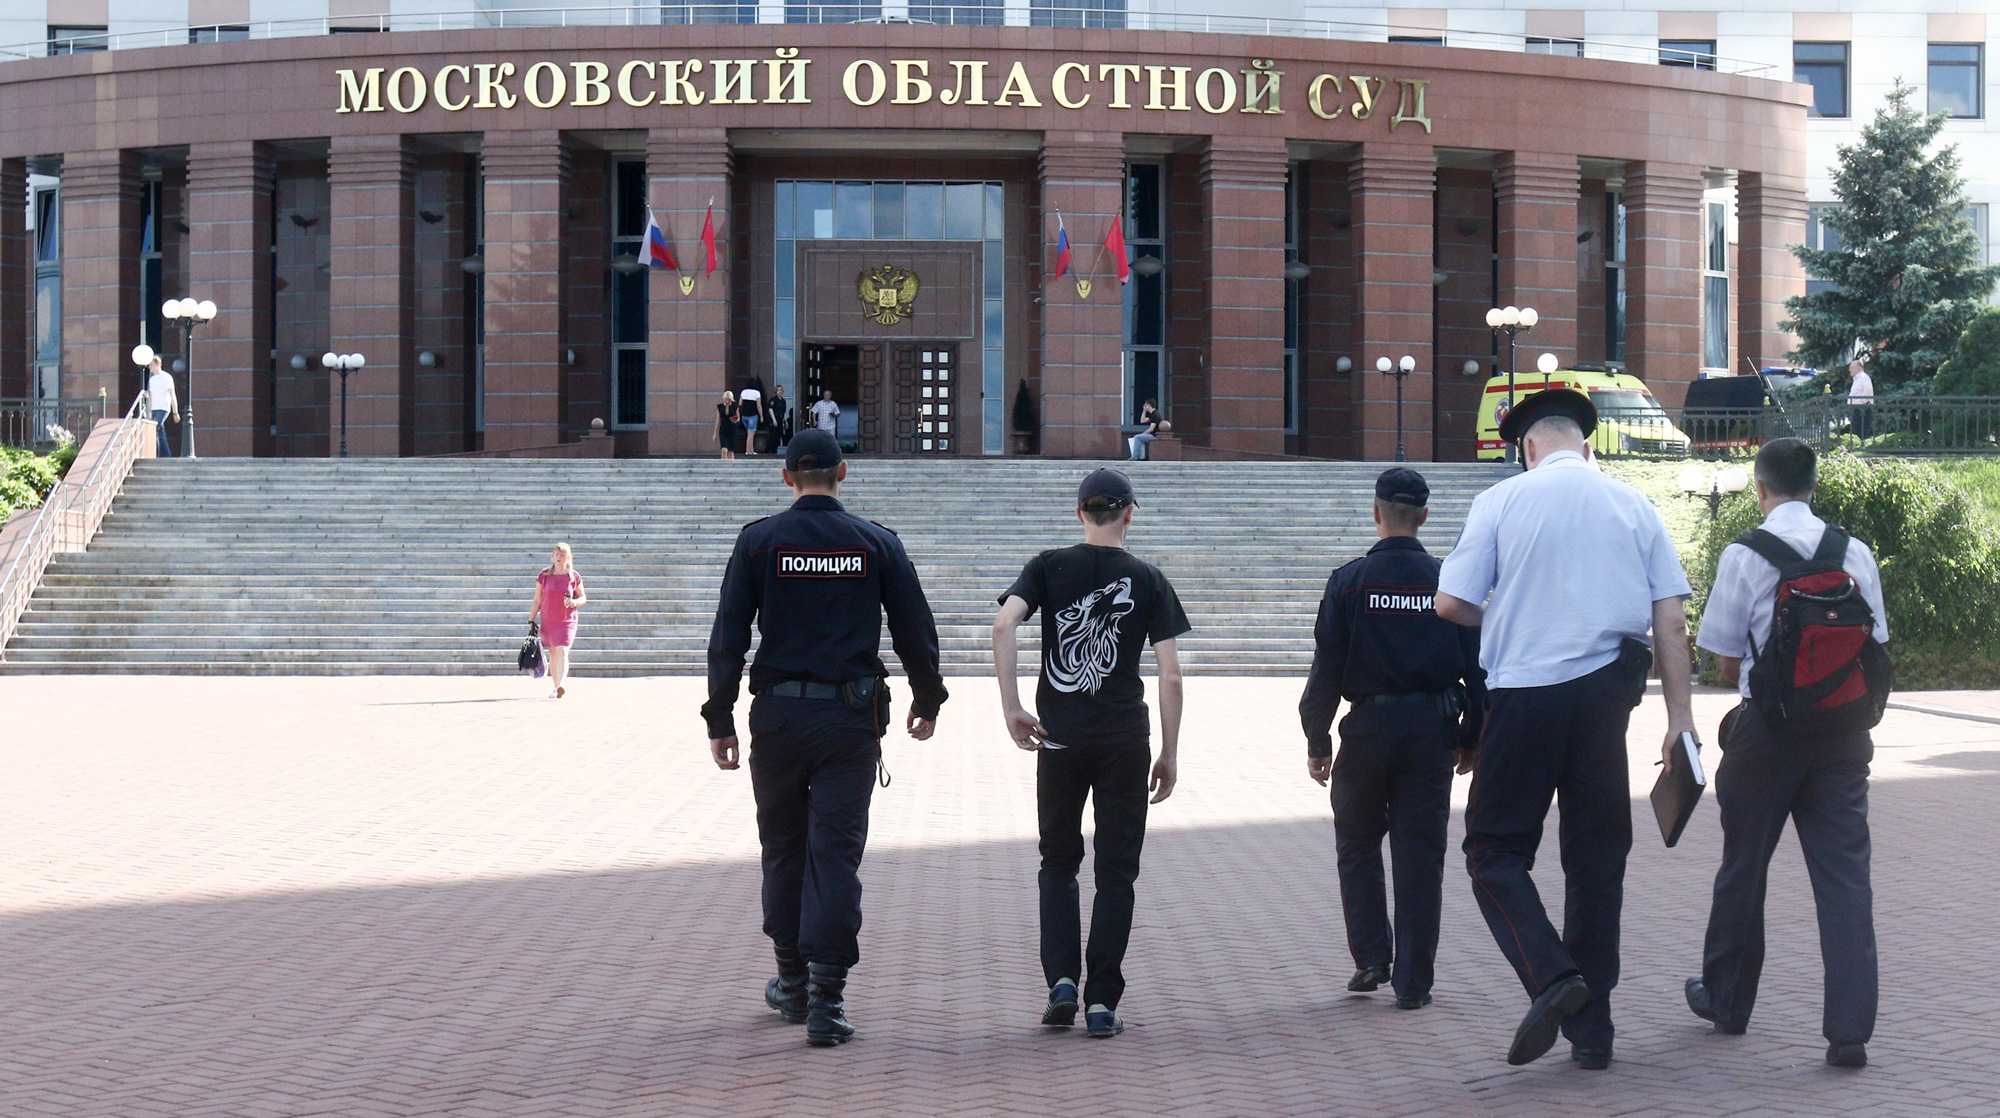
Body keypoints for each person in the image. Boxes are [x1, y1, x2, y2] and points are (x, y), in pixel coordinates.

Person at [1435, 388, 1697, 1071]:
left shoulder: (1501, 502)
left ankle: (1554, 978)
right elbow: (1670, 621)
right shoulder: (1633, 503)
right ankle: (1594, 1035)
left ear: (1526, 448)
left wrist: (1510, 610)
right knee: (1596, 861)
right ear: (1586, 445)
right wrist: (1680, 723)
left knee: (1493, 852)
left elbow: (1451, 602)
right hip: (1606, 699)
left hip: (1524, 697)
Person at [702, 428, 948, 1049]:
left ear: (786, 478)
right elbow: (915, 628)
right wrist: (928, 699)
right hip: (848, 722)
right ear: (844, 475)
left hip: (779, 720)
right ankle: (826, 999)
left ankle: (790, 980)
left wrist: (720, 716)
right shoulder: (875, 543)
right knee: (834, 855)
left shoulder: (760, 542)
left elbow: (729, 633)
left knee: (783, 847)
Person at [1684, 437, 1886, 1069]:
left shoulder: (1745, 554)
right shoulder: (1852, 551)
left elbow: (1721, 658)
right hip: (1843, 737)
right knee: (1846, 879)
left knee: (1744, 868)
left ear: (1760, 486)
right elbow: (1875, 642)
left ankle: (1727, 1000)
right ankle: (1849, 1031)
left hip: (1766, 738)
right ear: (1814, 486)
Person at [992, 468, 1190, 1039]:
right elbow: (1170, 675)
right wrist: (1170, 752)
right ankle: (1102, 1000)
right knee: (1117, 872)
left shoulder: (1049, 566)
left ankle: (1060, 982)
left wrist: (1012, 706)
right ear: (1131, 513)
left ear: (1079, 512)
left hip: (1059, 738)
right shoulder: (1148, 578)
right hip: (1125, 740)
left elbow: (1004, 625)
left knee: (1057, 862)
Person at [1299, 467, 1486, 1012]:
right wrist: (1471, 736)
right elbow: (1477, 672)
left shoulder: (1349, 581)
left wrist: (1317, 741)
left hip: (1367, 731)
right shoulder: (1448, 582)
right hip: (1431, 731)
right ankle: (1414, 982)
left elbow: (1326, 672)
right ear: (1424, 517)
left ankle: (1371, 957)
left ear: (1376, 513)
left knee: (1357, 842)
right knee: (1421, 854)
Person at [528, 542, 587, 699]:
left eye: (562, 555)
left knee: (563, 651)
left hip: (567, 619)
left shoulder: (573, 576)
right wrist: (531, 619)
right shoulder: (544, 575)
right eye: (556, 554)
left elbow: (583, 597)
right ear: (552, 556)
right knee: (553, 652)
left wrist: (574, 602)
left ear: (567, 557)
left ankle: (561, 685)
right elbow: (537, 599)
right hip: (549, 618)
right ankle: (555, 687)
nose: (559, 557)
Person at [146, 357, 179, 458]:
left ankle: (156, 454)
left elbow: (172, 394)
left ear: (157, 364)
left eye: (151, 364)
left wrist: (175, 412)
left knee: (154, 428)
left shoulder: (166, 377)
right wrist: (148, 412)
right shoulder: (152, 379)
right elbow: (150, 397)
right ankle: (167, 455)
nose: (149, 367)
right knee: (161, 433)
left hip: (163, 407)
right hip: (154, 408)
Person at [1846, 351, 1875, 441]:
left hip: (1863, 409)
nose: (1850, 370)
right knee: (1855, 430)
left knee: (1860, 431)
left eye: (1852, 367)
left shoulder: (1863, 377)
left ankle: (1860, 448)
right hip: (1857, 409)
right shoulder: (1857, 379)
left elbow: (1868, 392)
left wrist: (1862, 403)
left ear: (1859, 368)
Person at [740, 380, 763, 455]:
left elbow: (740, 403)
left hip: (744, 415)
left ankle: (751, 450)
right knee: (751, 434)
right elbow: (759, 405)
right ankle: (748, 451)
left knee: (749, 433)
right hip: (752, 415)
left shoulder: (743, 392)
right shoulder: (757, 393)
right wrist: (762, 416)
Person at [767, 384, 791, 452]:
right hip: (774, 420)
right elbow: (770, 409)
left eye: (780, 390)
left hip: (780, 420)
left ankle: (775, 451)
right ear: (775, 392)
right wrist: (774, 419)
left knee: (778, 436)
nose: (779, 392)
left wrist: (785, 421)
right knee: (772, 437)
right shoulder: (773, 400)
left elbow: (783, 413)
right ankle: (770, 452)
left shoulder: (783, 401)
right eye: (778, 390)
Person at [716, 390, 739, 460]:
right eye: (726, 400)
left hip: (732, 430)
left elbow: (738, 418)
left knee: (731, 451)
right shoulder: (720, 407)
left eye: (729, 400)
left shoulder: (735, 406)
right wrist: (715, 433)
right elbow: (718, 420)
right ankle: (723, 464)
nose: (727, 401)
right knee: (724, 449)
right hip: (723, 429)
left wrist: (735, 419)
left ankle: (732, 467)